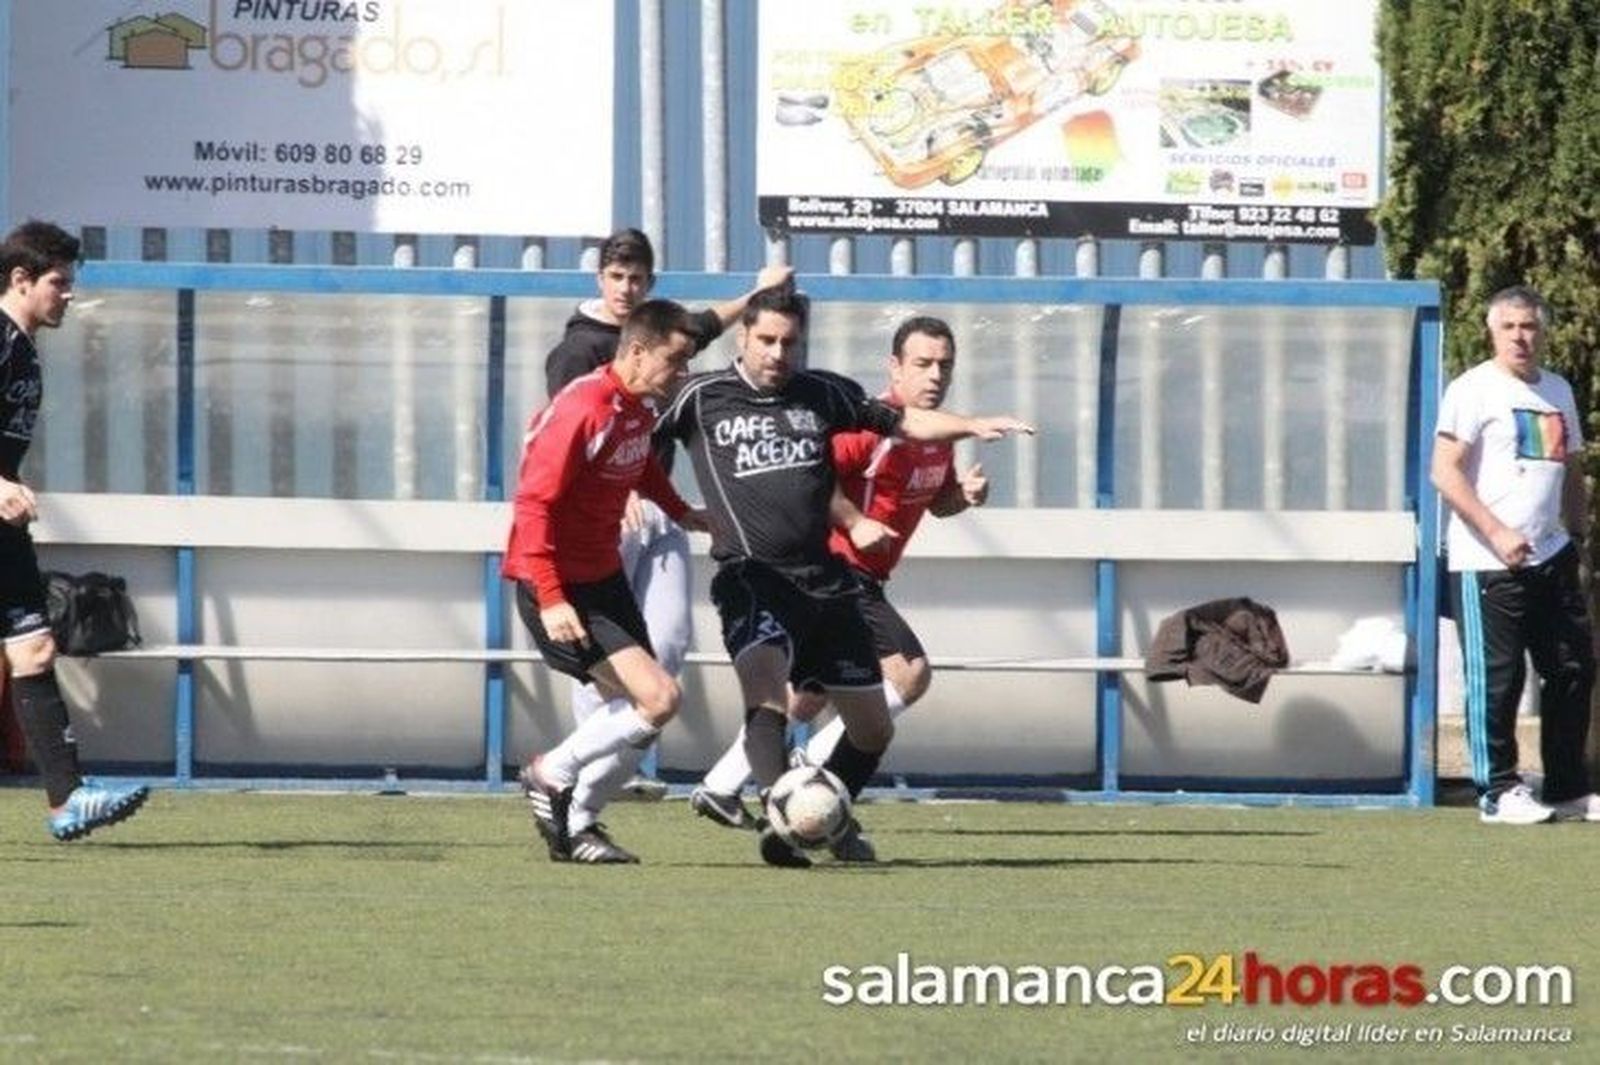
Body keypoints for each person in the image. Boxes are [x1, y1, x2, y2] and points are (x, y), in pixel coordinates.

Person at [656, 288, 1032, 866]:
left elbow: (904, 426)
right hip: (753, 575)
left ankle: (789, 800)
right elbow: (641, 438)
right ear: (743, 337)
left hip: (828, 584)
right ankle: (786, 824)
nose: (778, 353)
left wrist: (972, 427)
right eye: (767, 340)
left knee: (872, 729)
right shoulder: (701, 395)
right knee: (777, 699)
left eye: (790, 342)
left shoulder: (824, 393)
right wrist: (670, 508)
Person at [543, 228, 790, 823]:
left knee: (669, 641)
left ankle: (598, 771)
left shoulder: (664, 332)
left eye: (637, 278)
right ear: (599, 278)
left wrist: (754, 293)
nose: (626, 287)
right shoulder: (579, 352)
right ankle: (578, 776)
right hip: (605, 516)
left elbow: (705, 324)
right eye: (616, 276)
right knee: (601, 653)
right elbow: (566, 445)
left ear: (650, 282)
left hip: (657, 503)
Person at [506, 298, 710, 863]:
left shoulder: (638, 407)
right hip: (561, 586)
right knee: (658, 697)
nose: (683, 372)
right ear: (637, 351)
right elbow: (532, 505)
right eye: (676, 360)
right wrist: (550, 598)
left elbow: (640, 463)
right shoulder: (582, 407)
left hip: (603, 578)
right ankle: (553, 775)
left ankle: (576, 825)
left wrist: (681, 509)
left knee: (638, 714)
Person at [0, 221, 149, 840]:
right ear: (20, 279)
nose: (69, 295)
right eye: (58, 282)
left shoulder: (21, 344)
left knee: (33, 649)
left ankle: (68, 800)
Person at [1431, 285, 1600, 825]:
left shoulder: (1557, 391)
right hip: (1488, 560)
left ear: (1542, 332)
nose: (1521, 337)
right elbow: (1445, 472)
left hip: (1551, 555)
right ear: (1492, 331)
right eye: (1510, 327)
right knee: (1499, 678)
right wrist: (1497, 531)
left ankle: (1568, 786)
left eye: (1529, 327)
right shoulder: (1473, 389)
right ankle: (1498, 792)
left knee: (1573, 667)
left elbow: (1570, 470)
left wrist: (1577, 536)